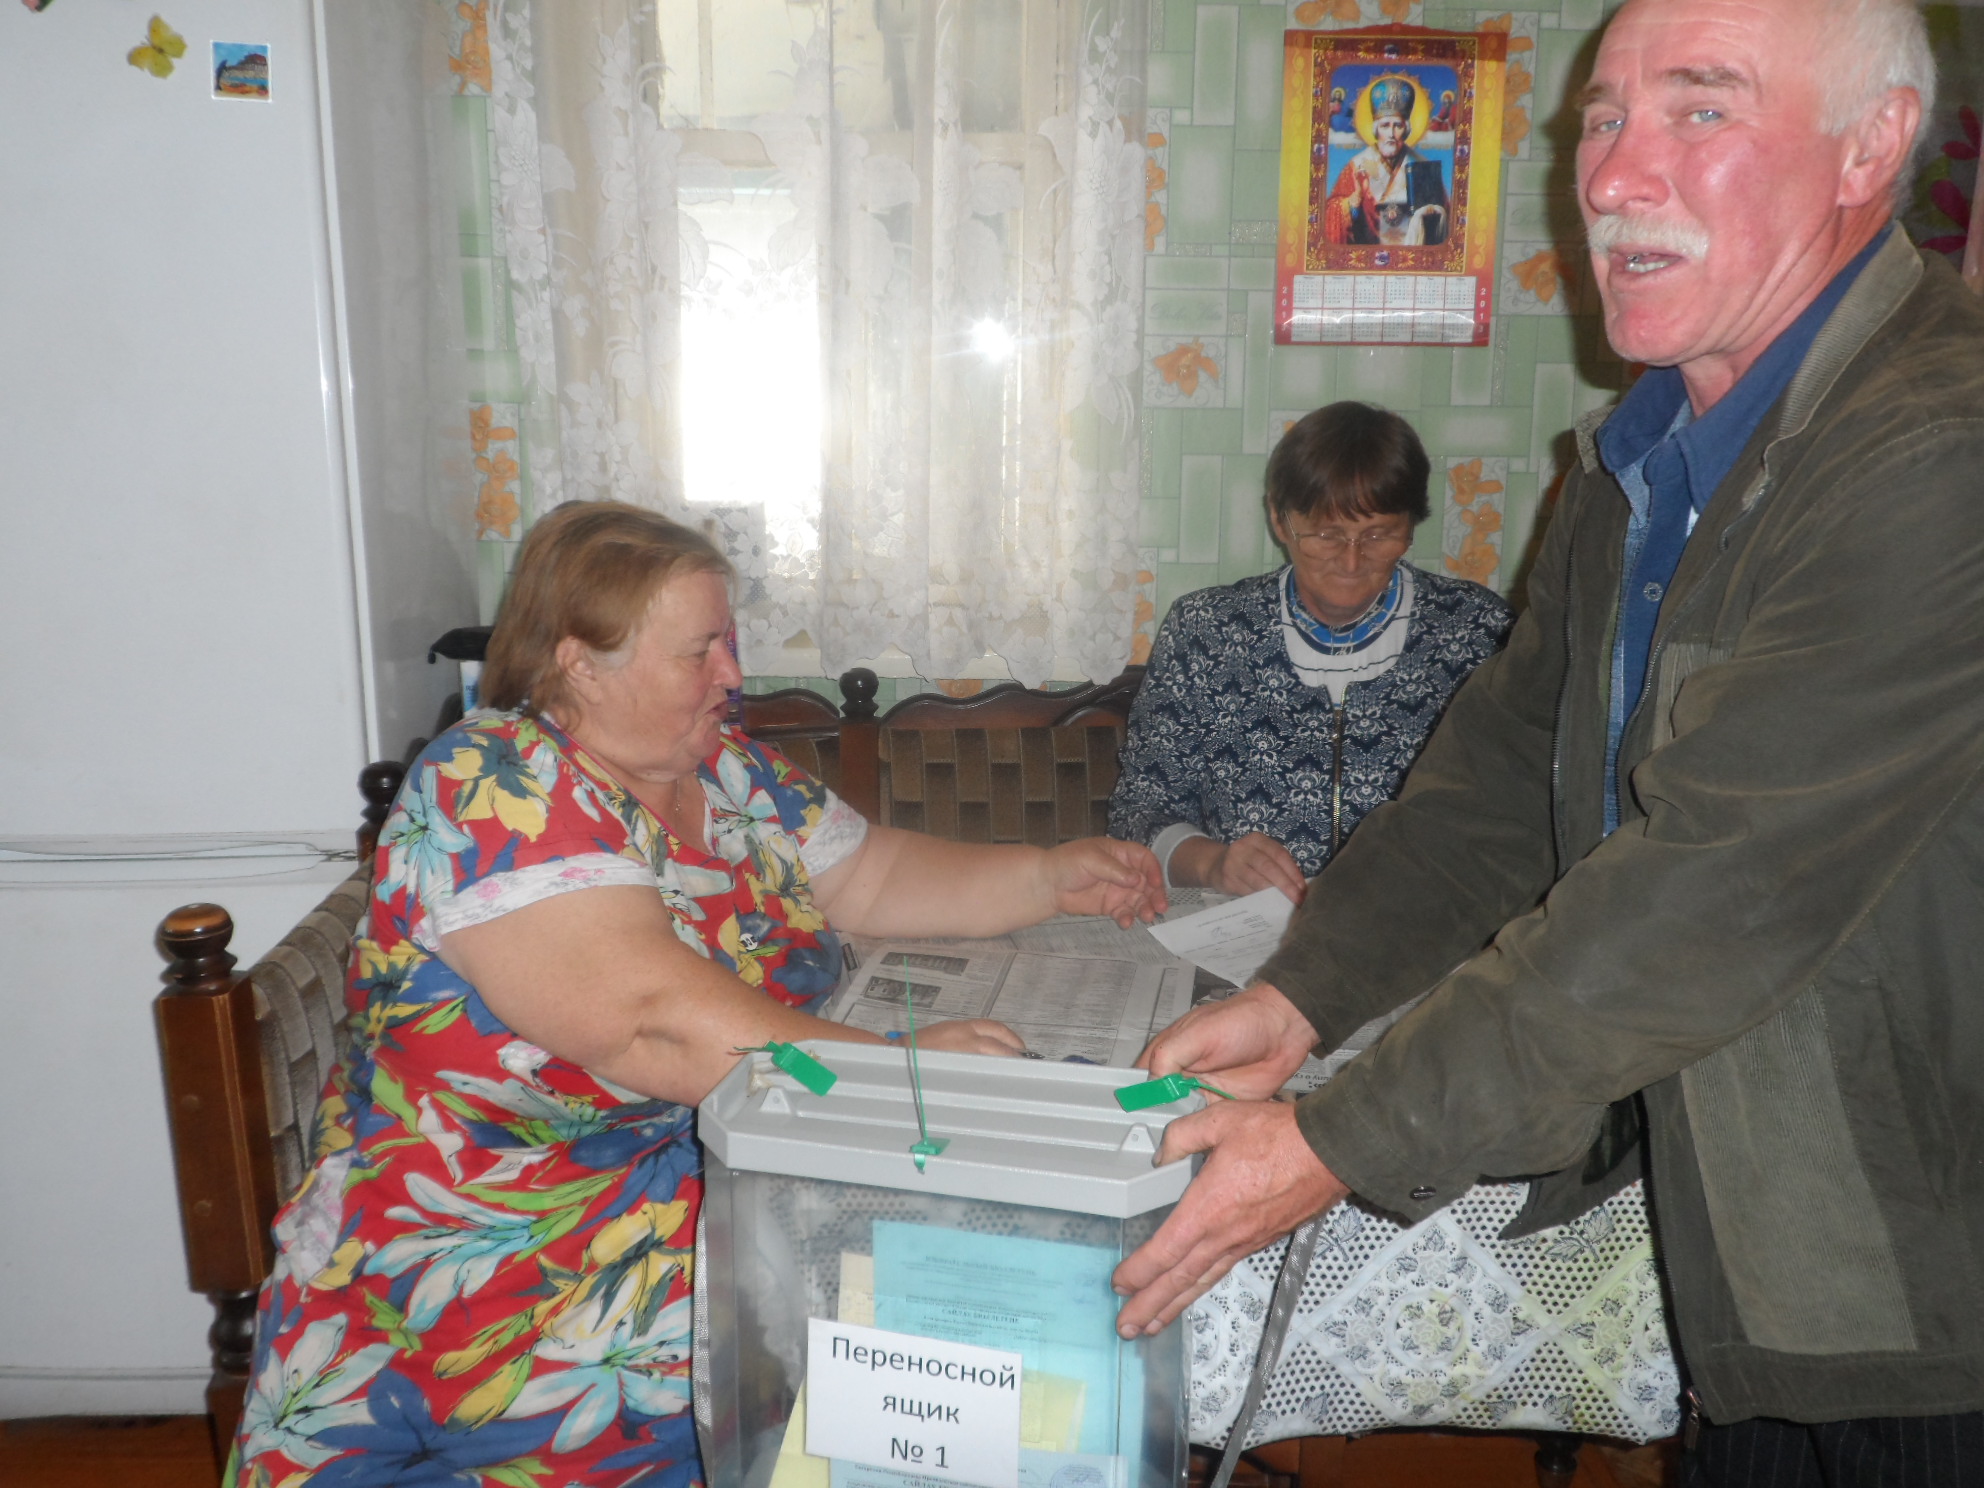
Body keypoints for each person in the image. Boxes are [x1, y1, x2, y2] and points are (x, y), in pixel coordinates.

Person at [1113, 0, 1984, 1483]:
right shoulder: (1638, 452)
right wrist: (1306, 994)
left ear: (1871, 146)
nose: (1615, 176)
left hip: (1918, 1268)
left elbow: (1710, 888)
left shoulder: (1937, 451)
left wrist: (1334, 1140)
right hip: (1754, 1243)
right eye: (1603, 119)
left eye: (1701, 109)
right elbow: (1505, 778)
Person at [227, 503, 1164, 1487]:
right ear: (580, 664)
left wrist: (1048, 875)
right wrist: (894, 1076)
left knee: (1021, 1277)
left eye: (729, 640)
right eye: (699, 650)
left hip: (719, 1192)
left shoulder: (723, 770)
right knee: (983, 1312)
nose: (731, 673)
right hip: (511, 1282)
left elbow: (872, 875)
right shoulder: (494, 782)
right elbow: (654, 1024)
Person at [1108, 402, 1511, 903]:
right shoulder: (1206, 631)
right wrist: (1214, 864)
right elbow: (1139, 811)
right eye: (1326, 534)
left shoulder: (1478, 633)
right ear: (1280, 520)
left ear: (1410, 527)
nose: (1351, 560)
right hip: (1244, 925)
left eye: (1378, 534)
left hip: (1426, 923)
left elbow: (1518, 809)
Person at [1322, 76, 1446, 246]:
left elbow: (1445, 217)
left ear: (1406, 129)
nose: (1391, 134)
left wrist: (1433, 212)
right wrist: (1351, 205)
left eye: (1398, 126)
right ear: (1376, 129)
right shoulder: (1356, 166)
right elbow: (1331, 214)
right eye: (1385, 126)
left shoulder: (1423, 167)